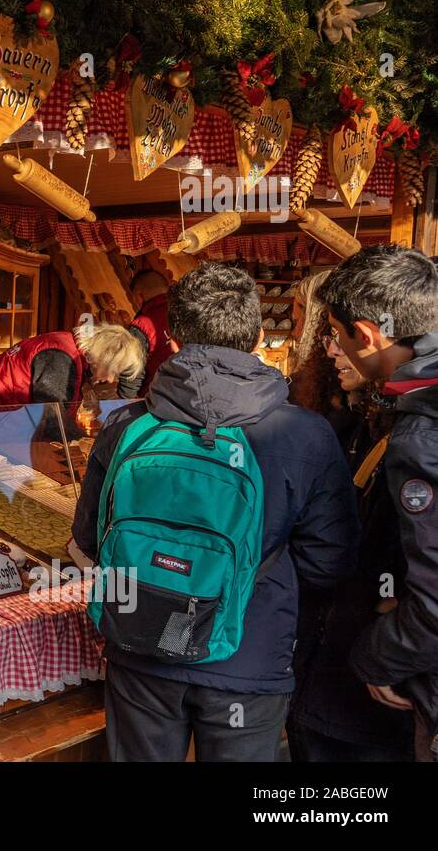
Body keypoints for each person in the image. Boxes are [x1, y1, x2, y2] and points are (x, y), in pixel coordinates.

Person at [72, 262, 359, 761]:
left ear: (172, 338)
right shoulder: (306, 434)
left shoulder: (125, 424)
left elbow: (91, 540)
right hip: (249, 657)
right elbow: (329, 562)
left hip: (140, 651)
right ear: (255, 337)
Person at [317, 244, 438, 762]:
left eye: (337, 335)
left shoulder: (423, 433)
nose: (333, 349)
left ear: (366, 335)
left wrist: (376, 654)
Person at [286, 318, 413, 762]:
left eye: (345, 339)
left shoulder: (408, 440)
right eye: (328, 339)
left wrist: (390, 647)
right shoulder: (345, 429)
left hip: (369, 676)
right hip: (326, 666)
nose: (335, 351)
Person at [0, 320, 145, 413]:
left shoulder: (67, 348)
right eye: (114, 371)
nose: (111, 380)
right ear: (105, 357)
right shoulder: (60, 357)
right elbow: (50, 420)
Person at [126, 269, 172, 393]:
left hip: (156, 397)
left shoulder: (142, 325)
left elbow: (132, 375)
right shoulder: (189, 312)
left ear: (139, 296)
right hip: (193, 395)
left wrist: (124, 400)